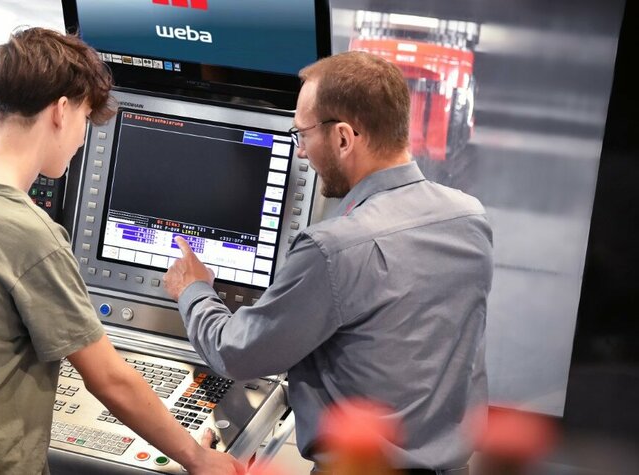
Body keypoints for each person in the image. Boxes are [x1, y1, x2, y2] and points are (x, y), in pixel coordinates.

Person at [0, 27, 243, 475]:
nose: (81, 141)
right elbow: (111, 380)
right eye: (84, 120)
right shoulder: (26, 232)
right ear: (60, 111)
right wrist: (197, 456)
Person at [164, 51, 493, 474]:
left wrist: (193, 290)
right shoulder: (469, 218)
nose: (301, 153)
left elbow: (236, 353)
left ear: (342, 138)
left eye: (302, 134)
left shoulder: (333, 249)